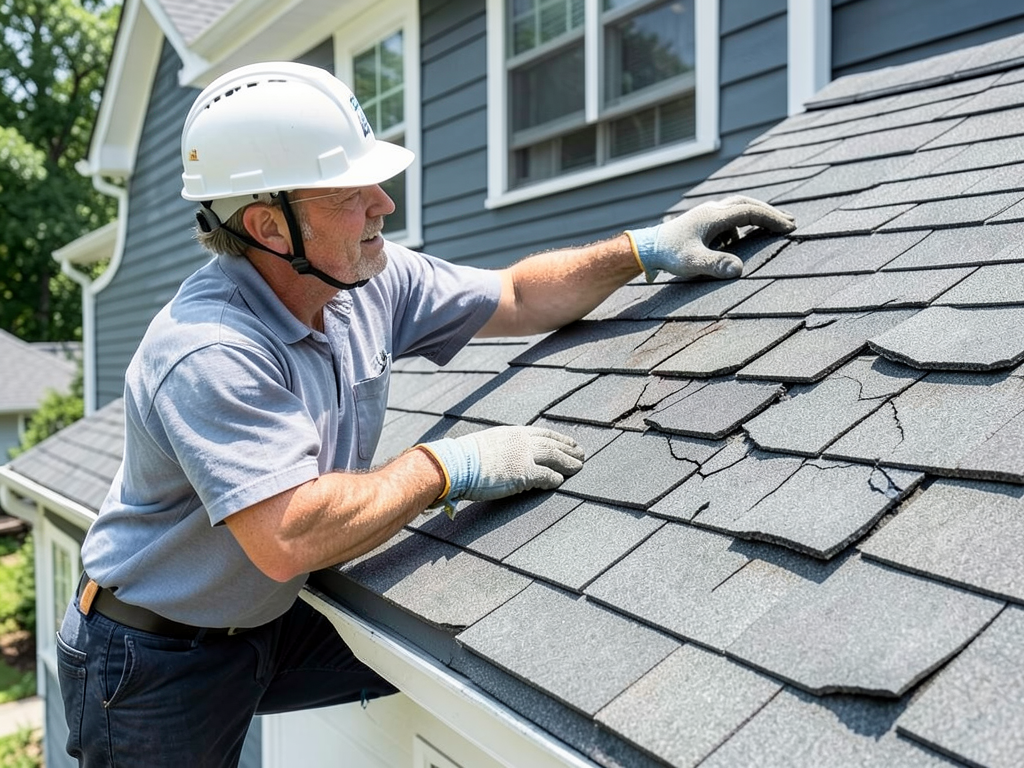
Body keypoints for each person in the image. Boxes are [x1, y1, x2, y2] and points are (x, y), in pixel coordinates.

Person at [55, 61, 795, 767]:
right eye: (350, 191)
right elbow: (288, 536)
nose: (384, 203)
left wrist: (642, 249)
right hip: (151, 657)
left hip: (265, 621)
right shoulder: (209, 350)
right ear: (271, 227)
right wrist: (446, 466)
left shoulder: (363, 280)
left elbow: (517, 295)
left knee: (468, 648)